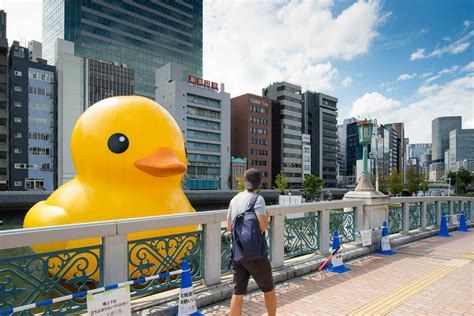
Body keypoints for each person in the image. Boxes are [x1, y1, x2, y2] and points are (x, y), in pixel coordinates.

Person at [227, 168, 276, 316]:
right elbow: (262, 226)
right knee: (269, 288)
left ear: (244, 181)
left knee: (238, 292)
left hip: (237, 252)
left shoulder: (234, 199)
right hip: (255, 254)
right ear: (259, 183)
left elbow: (229, 226)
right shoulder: (258, 199)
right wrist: (267, 216)